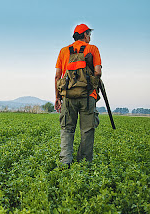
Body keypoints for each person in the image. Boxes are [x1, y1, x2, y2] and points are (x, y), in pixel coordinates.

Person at [54, 24, 102, 167]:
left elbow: (57, 76)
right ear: (85, 35)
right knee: (87, 130)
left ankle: (65, 162)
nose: (90, 37)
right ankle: (84, 163)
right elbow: (98, 72)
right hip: (88, 96)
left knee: (67, 129)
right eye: (89, 35)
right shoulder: (93, 49)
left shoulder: (64, 51)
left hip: (68, 97)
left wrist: (57, 97)